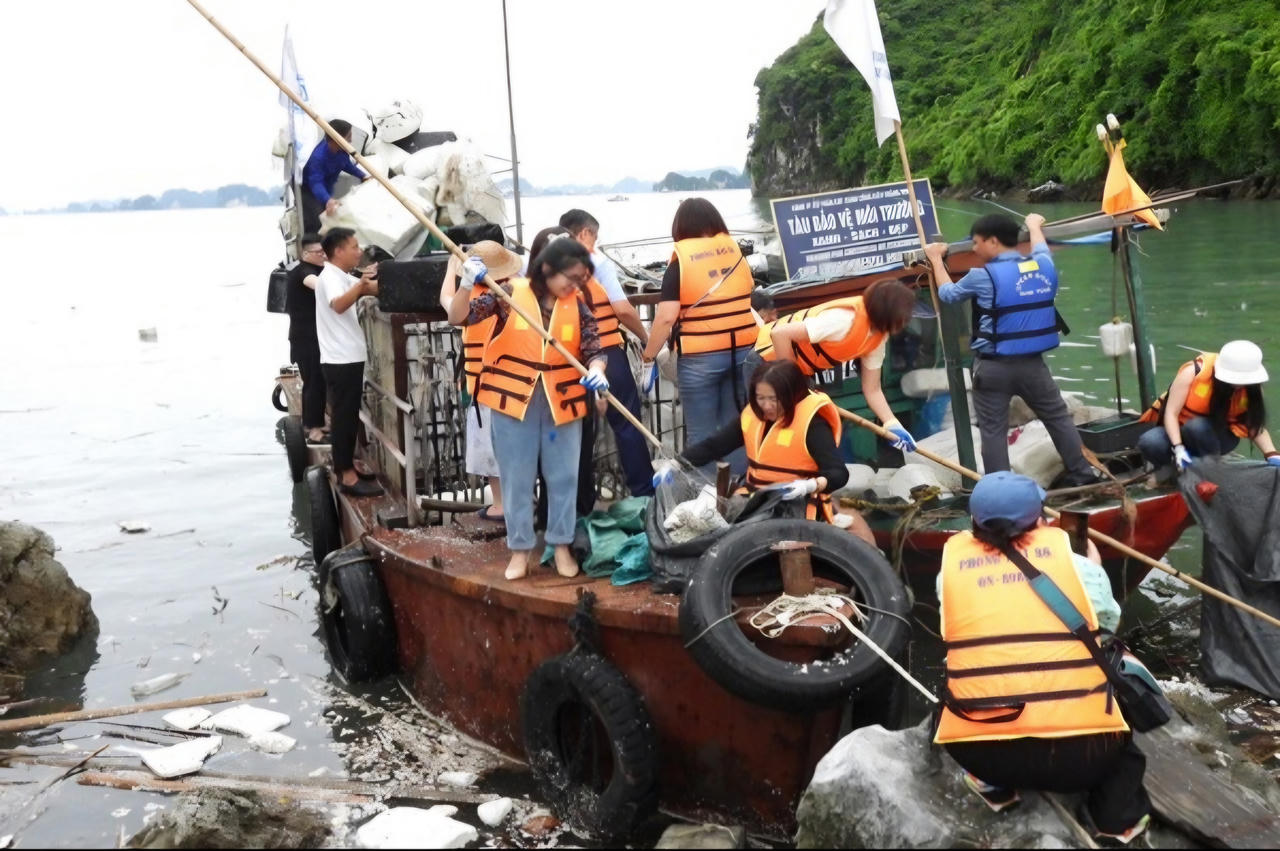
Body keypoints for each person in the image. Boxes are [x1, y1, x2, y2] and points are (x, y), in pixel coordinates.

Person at [934, 471, 1149, 845]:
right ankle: (1115, 821)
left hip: (979, 752)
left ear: (974, 522)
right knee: (1116, 667)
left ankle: (995, 786)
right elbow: (1108, 627)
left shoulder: (948, 573)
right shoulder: (1081, 569)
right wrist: (1094, 568)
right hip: (1082, 758)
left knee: (957, 672)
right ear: (1040, 520)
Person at [448, 238, 608, 581]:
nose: (574, 283)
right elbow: (458, 316)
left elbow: (594, 345)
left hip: (560, 402)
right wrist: (465, 284)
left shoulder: (577, 303)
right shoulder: (505, 294)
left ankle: (561, 545)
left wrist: (597, 370)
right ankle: (519, 550)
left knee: (564, 476)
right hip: (513, 400)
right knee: (517, 478)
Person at [924, 213, 1097, 487]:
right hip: (1033, 366)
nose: (974, 248)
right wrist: (1034, 226)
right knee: (1058, 419)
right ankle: (1084, 476)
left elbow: (948, 295)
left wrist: (935, 258)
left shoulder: (981, 276)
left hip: (993, 368)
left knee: (993, 431)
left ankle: (1000, 490)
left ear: (993, 242)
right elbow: (1039, 246)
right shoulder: (1043, 265)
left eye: (977, 242)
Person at [653, 360, 875, 544]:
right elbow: (715, 445)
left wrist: (810, 485)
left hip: (794, 501)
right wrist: (677, 463)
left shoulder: (813, 425)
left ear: (791, 396)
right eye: (761, 398)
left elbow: (838, 473)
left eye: (774, 399)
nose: (767, 406)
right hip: (754, 498)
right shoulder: (753, 415)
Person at [642, 198, 758, 476]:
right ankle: (741, 491)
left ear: (680, 228)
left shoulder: (680, 263)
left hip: (701, 359)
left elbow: (667, 317)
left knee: (702, 433)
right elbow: (749, 293)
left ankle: (705, 497)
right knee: (739, 427)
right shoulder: (737, 255)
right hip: (744, 351)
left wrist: (648, 357)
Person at [744, 280, 920, 457]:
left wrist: (892, 424)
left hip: (798, 373)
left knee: (810, 432)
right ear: (890, 315)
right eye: (905, 316)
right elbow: (779, 333)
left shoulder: (878, 337)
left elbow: (872, 390)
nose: (906, 322)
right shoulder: (844, 320)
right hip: (766, 365)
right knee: (773, 435)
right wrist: (791, 381)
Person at [559, 209, 654, 500]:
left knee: (576, 432)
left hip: (566, 359)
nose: (596, 244)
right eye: (595, 237)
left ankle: (580, 502)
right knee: (627, 423)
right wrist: (645, 338)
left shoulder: (545, 267)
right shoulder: (596, 261)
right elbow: (623, 309)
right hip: (605, 354)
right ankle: (643, 493)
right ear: (584, 234)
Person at [441, 241, 525, 522]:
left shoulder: (477, 299)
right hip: (519, 385)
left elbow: (449, 304)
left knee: (492, 450)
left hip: (487, 386)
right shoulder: (520, 288)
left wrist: (453, 270)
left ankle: (501, 504)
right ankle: (521, 500)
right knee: (516, 448)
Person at [1137, 340, 1279, 471]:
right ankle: (1173, 470)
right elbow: (1171, 414)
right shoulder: (1192, 373)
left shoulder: (1253, 388)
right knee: (1149, 442)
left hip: (1217, 438)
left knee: (1197, 426)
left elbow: (1254, 424)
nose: (1240, 383)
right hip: (1178, 432)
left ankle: (1212, 469)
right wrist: (1178, 448)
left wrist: (1271, 454)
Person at [315, 227, 383, 498]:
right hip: (339, 358)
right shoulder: (330, 277)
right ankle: (346, 475)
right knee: (343, 417)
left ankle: (348, 463)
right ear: (338, 251)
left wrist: (366, 282)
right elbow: (339, 305)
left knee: (349, 414)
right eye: (354, 247)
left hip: (347, 356)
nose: (359, 251)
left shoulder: (341, 276)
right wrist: (362, 286)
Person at [285, 233, 328, 444]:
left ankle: (315, 422)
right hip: (305, 338)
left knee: (319, 381)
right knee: (313, 382)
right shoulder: (303, 272)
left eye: (324, 251)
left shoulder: (317, 268)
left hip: (316, 337)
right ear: (305, 254)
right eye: (318, 252)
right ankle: (313, 429)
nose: (322, 255)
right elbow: (318, 284)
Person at [300, 119, 368, 234]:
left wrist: (363, 176)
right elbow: (316, 183)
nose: (350, 140)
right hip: (310, 191)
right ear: (337, 139)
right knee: (317, 221)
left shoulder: (341, 151)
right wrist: (327, 200)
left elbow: (345, 164)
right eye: (348, 137)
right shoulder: (318, 158)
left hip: (328, 187)